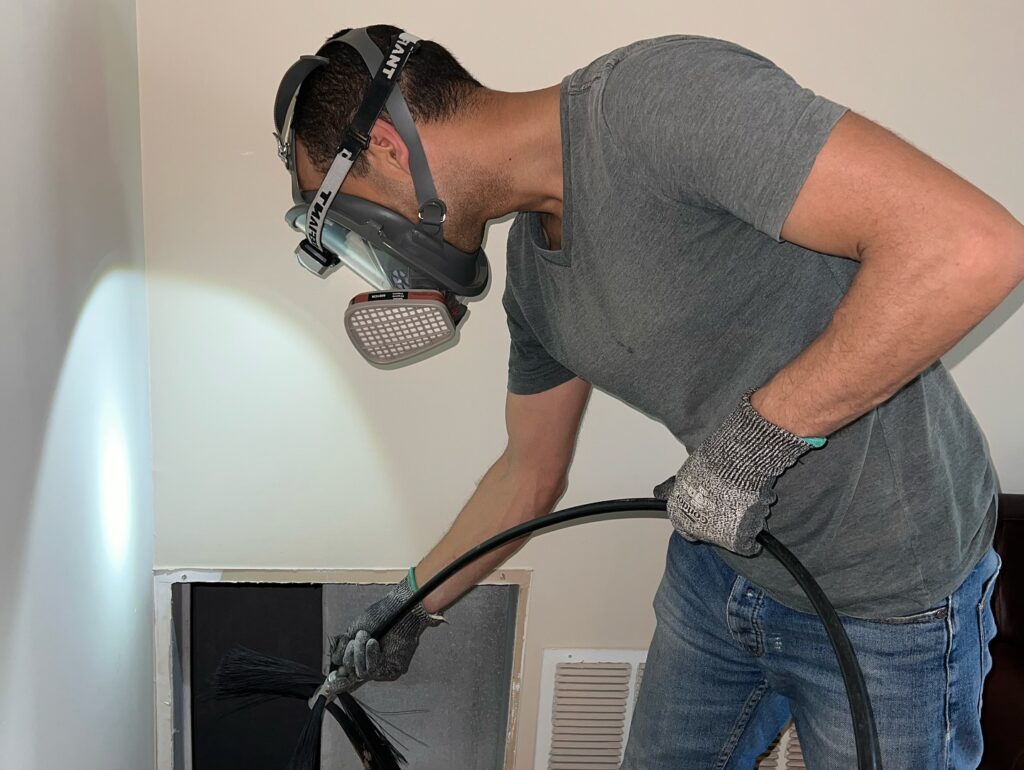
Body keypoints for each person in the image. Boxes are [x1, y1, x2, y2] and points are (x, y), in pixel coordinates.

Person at [286, 24, 1023, 768]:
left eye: (346, 218)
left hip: (890, 595)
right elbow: (527, 474)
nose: (370, 251)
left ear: (384, 145)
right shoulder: (535, 281)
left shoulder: (653, 101)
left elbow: (967, 249)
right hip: (721, 572)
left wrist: (750, 450)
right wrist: (409, 606)